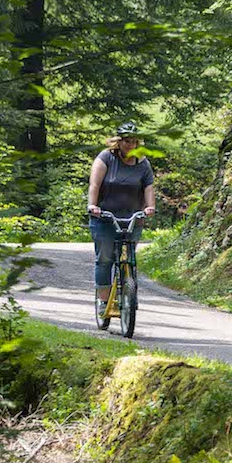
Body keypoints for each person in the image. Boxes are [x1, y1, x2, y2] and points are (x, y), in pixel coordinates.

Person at [87, 122, 155, 320]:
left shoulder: (142, 163)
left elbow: (148, 187)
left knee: (129, 258)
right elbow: (95, 184)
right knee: (106, 258)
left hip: (132, 218)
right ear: (118, 141)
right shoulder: (106, 158)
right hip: (105, 218)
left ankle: (129, 294)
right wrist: (93, 205)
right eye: (126, 141)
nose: (130, 145)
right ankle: (103, 301)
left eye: (134, 142)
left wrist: (149, 207)